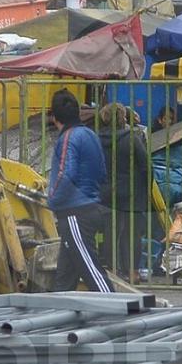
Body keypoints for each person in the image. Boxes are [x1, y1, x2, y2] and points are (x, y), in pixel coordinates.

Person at [47, 90, 113, 293]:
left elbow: (66, 175)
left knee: (91, 269)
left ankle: (119, 310)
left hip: (74, 213)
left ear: (54, 117)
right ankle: (57, 315)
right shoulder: (90, 135)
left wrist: (51, 199)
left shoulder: (68, 138)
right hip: (90, 206)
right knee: (65, 276)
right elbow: (102, 172)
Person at [97, 103, 150, 280]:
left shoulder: (97, 140)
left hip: (106, 194)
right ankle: (132, 272)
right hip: (131, 195)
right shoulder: (132, 139)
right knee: (132, 234)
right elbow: (145, 166)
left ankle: (111, 270)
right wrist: (145, 190)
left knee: (110, 232)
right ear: (123, 118)